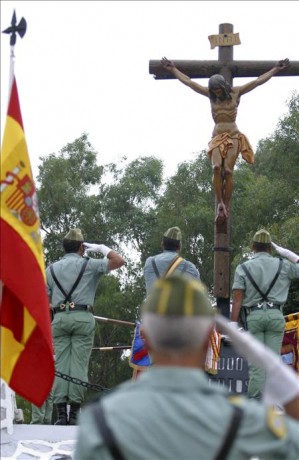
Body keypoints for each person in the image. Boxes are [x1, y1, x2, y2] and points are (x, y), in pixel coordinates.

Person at [74, 274, 299, 460]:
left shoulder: (99, 420)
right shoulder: (243, 419)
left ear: (146, 338)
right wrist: (285, 382)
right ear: (206, 341)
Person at [160, 57, 290, 223]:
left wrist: (275, 69)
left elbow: (257, 81)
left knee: (227, 171)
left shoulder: (236, 92)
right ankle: (219, 203)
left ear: (222, 86)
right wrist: (173, 69)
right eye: (214, 91)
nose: (216, 93)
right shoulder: (210, 95)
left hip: (234, 136)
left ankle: (225, 206)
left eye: (218, 90)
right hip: (217, 137)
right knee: (216, 167)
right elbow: (189, 82)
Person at [46, 228, 125, 425]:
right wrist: (101, 248)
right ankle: (73, 414)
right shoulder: (89, 264)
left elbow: (42, 298)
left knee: (61, 365)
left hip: (59, 319)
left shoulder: (51, 269)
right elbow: (119, 261)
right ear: (82, 247)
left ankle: (60, 416)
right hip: (82, 317)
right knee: (79, 365)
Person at [231, 228, 299, 400]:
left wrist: (232, 325)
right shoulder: (283, 265)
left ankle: (255, 404)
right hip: (276, 316)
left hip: (253, 317)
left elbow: (237, 300)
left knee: (256, 365)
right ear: (270, 248)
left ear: (253, 247)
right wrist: (288, 254)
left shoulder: (243, 268)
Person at [143, 226, 199, 296]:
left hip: (152, 306)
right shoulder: (191, 268)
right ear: (179, 247)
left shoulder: (150, 262)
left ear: (162, 244)